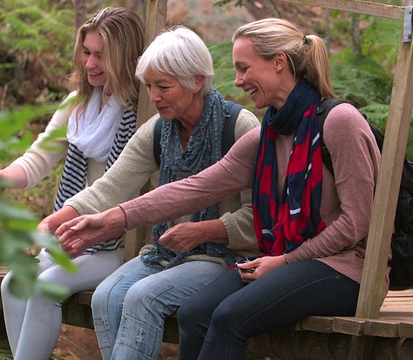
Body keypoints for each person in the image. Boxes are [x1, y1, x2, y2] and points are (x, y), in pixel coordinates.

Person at [56, 18, 383, 360]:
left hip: (345, 268)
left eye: (243, 68)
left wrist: (285, 260)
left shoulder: (340, 122)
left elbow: (356, 223)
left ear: (279, 63)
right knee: (195, 313)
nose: (238, 81)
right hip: (284, 258)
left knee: (229, 318)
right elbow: (194, 189)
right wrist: (115, 218)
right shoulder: (266, 136)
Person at [39, 25, 260, 360]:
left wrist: (204, 230)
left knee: (143, 296)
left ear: (197, 81)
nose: (153, 95)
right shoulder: (158, 129)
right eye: (150, 86)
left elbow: (258, 217)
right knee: (106, 296)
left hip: (223, 257)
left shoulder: (240, 127)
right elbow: (111, 187)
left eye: (164, 86)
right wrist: (55, 221)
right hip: (165, 252)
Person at [0, 7, 145, 360]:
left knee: (46, 286)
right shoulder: (78, 103)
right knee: (13, 284)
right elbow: (39, 157)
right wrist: (2, 178)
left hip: (122, 244)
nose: (90, 64)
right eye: (87, 53)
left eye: (101, 56)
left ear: (123, 58)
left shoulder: (144, 109)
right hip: (74, 232)